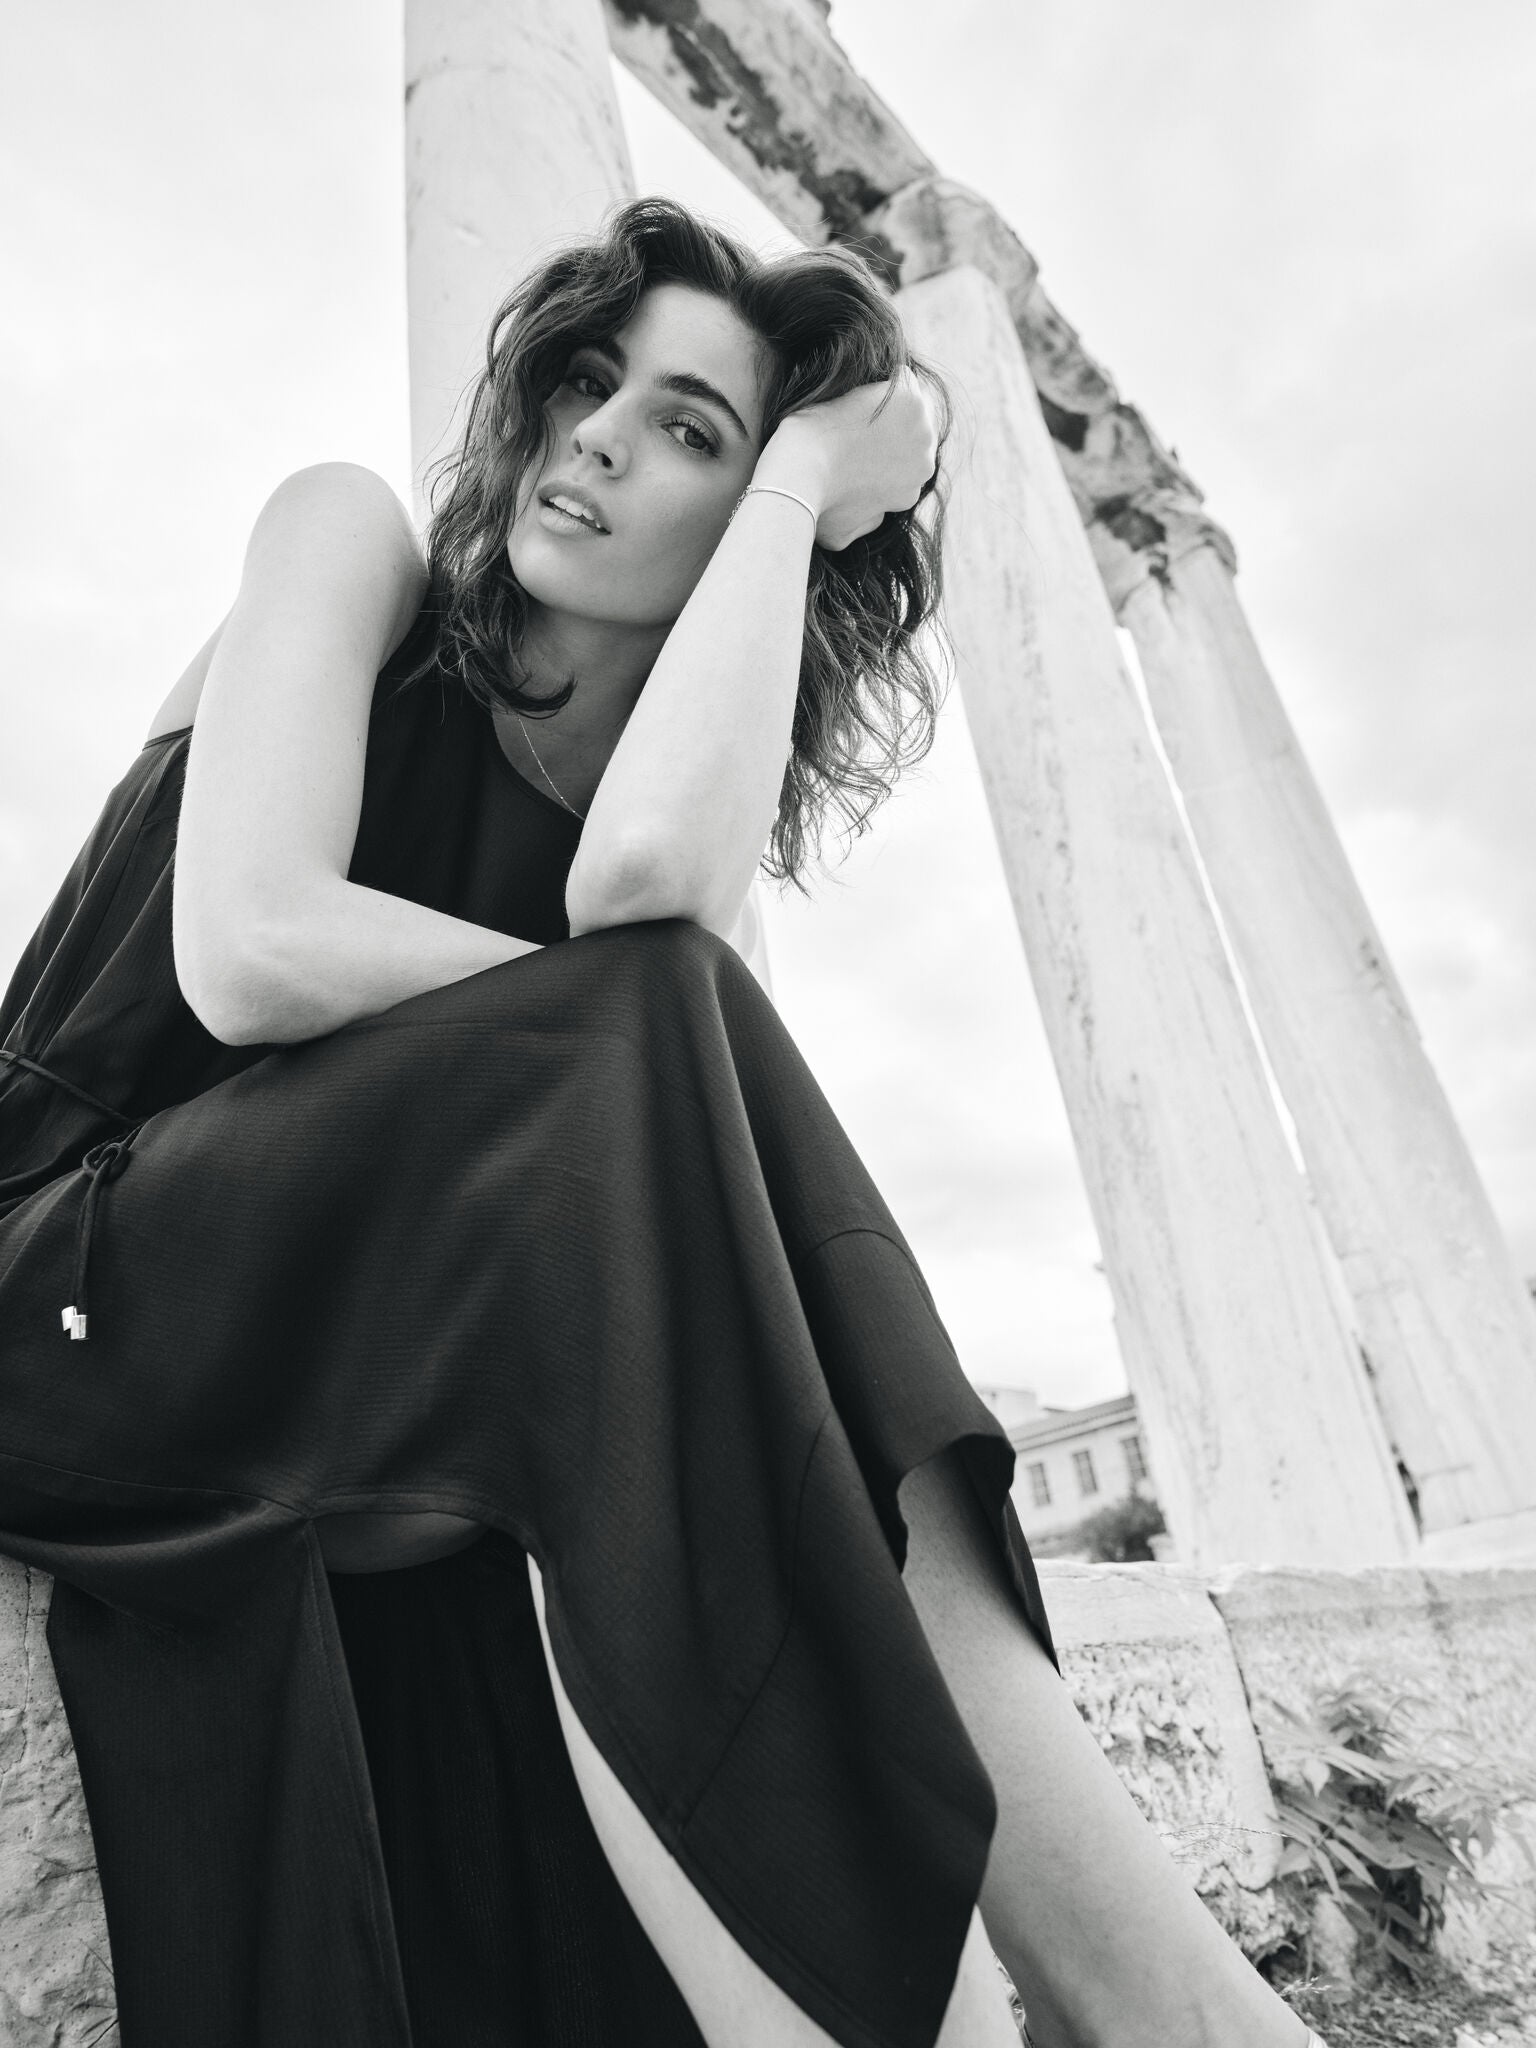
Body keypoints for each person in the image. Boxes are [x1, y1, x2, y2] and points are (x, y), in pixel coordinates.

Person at [0, 196, 1327, 2048]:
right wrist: (644, 1039)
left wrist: (803, 482)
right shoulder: (347, 542)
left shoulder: (644, 884)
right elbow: (253, 952)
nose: (601, 437)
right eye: (586, 383)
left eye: (693, 429)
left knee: (677, 1051)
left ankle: (1150, 2009)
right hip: (71, 1296)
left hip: (376, 1380)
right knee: (667, 1030)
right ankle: (1168, 2012)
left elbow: (641, 881)